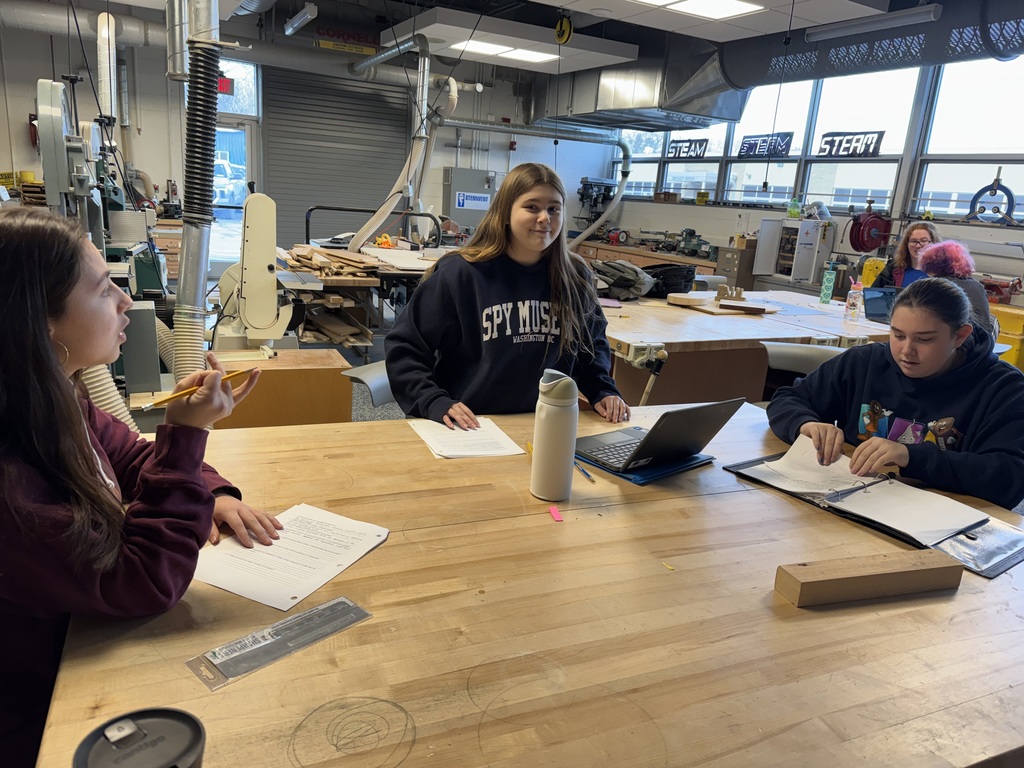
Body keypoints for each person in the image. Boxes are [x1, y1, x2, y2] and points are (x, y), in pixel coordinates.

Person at [0, 208, 282, 766]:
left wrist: (213, 492)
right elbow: (143, 582)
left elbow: (131, 456)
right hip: (43, 709)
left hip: (82, 643)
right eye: (104, 288)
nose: (126, 301)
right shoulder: (12, 487)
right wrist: (189, 434)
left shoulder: (49, 398)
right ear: (41, 320)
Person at [385, 162, 630, 429]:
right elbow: (405, 346)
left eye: (554, 208)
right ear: (505, 212)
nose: (545, 218)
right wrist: (432, 400)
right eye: (532, 207)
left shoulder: (575, 278)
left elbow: (591, 346)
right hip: (472, 427)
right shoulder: (460, 274)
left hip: (545, 425)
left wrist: (602, 390)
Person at [767, 277, 1024, 510]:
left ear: (960, 336)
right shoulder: (864, 362)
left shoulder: (1004, 388)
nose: (907, 350)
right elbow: (788, 398)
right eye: (898, 335)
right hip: (850, 502)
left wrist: (910, 456)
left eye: (924, 339)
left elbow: (1010, 477)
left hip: (938, 517)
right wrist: (805, 424)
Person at [917, 239, 995, 334]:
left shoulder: (935, 286)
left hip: (957, 340)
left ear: (931, 265)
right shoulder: (978, 286)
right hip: (983, 341)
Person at [871, 221, 940, 288]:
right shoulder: (893, 267)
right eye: (913, 241)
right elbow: (873, 293)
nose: (918, 245)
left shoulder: (941, 272)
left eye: (923, 241)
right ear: (906, 244)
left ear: (934, 243)